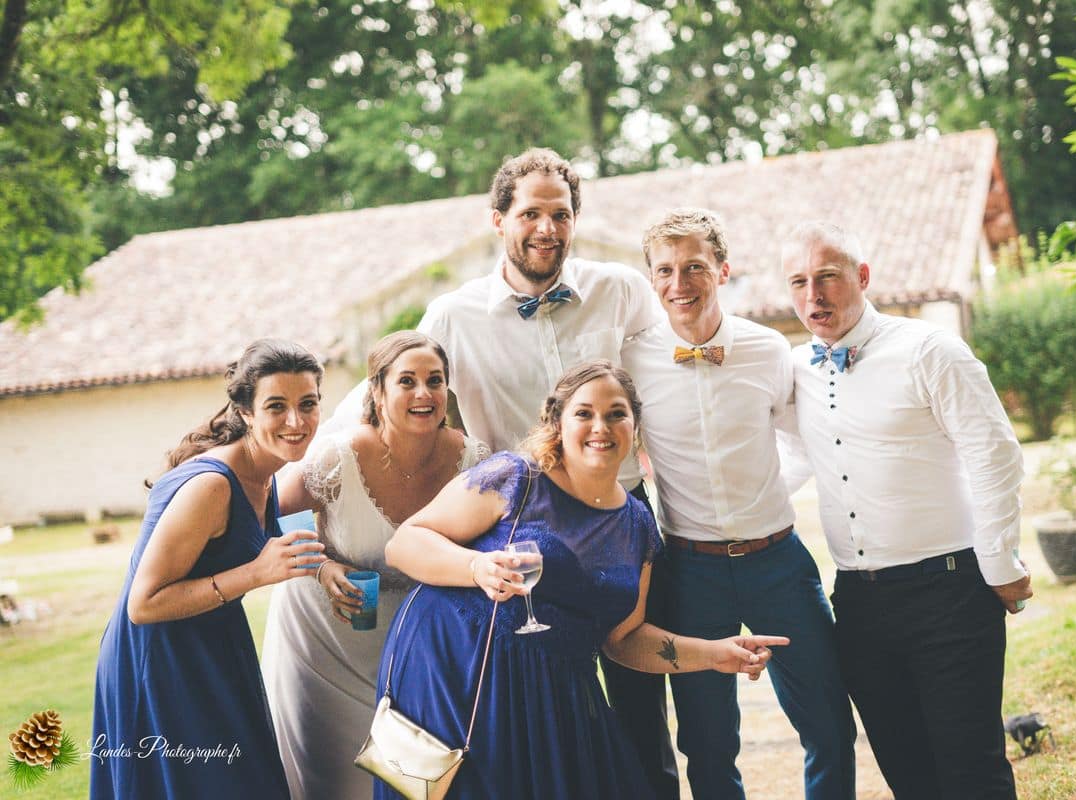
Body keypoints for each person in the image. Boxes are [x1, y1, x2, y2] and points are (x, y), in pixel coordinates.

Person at [373, 360, 787, 800]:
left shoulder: (637, 526)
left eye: (616, 414)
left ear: (634, 425)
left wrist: (714, 654)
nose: (600, 427)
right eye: (584, 413)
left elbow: (624, 639)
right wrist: (474, 568)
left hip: (553, 692)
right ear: (557, 420)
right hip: (457, 668)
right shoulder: (515, 478)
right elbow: (405, 543)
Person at [415, 147, 679, 796]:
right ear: (498, 220)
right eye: (531, 213)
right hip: (517, 528)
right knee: (537, 705)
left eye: (560, 214)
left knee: (642, 702)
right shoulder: (452, 316)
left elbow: (673, 378)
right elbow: (386, 397)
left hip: (618, 518)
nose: (547, 228)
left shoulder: (620, 289)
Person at [780, 221, 1032, 800]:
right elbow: (792, 457)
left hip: (950, 593)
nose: (813, 295)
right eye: (799, 282)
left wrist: (1000, 563)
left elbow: (994, 453)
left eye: (828, 277)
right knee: (905, 769)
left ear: (862, 277)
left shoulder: (930, 350)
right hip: (860, 603)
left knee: (971, 770)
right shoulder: (794, 368)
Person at [622, 209, 856, 800]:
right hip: (689, 570)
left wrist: (766, 495)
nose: (682, 283)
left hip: (778, 563)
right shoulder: (632, 360)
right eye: (667, 270)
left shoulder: (768, 348)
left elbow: (800, 440)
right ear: (651, 280)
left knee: (827, 723)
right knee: (706, 741)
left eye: (695, 266)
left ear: (722, 271)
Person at [91, 339, 328, 800]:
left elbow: (267, 545)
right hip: (160, 661)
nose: (296, 421)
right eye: (276, 406)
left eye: (308, 404)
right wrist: (257, 574)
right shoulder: (212, 486)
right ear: (245, 413)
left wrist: (326, 570)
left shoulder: (264, 474)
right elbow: (143, 604)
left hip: (215, 645)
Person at [260, 331, 489, 799]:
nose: (424, 393)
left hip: (417, 653)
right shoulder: (337, 458)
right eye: (407, 381)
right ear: (378, 393)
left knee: (415, 780)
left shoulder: (472, 461)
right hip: (326, 646)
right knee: (337, 783)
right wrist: (320, 567)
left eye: (435, 380)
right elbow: (266, 512)